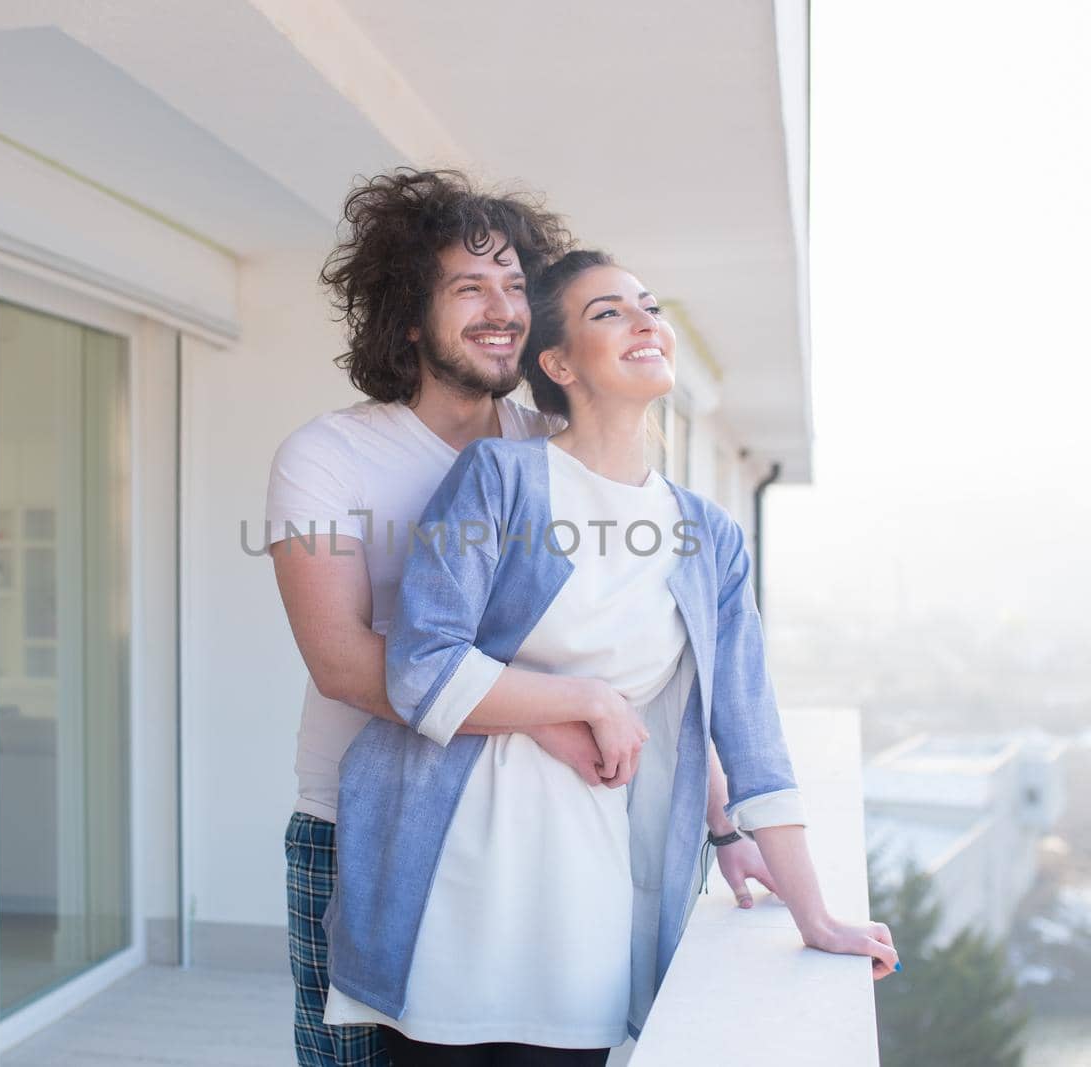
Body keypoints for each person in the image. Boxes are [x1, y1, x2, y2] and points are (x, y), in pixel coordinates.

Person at [322, 251, 899, 1065]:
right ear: (557, 363)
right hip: (450, 865)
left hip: (586, 880)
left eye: (649, 306)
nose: (643, 322)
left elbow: (749, 728)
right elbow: (422, 663)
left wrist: (811, 909)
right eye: (608, 313)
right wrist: (587, 700)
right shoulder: (500, 478)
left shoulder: (710, 536)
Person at [266, 172, 781, 1067]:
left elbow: (648, 662)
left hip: (520, 831)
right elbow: (345, 663)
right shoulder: (326, 456)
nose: (502, 308)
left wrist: (727, 827)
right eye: (470, 287)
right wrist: (553, 709)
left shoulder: (547, 457)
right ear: (407, 313)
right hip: (357, 819)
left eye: (515, 285)